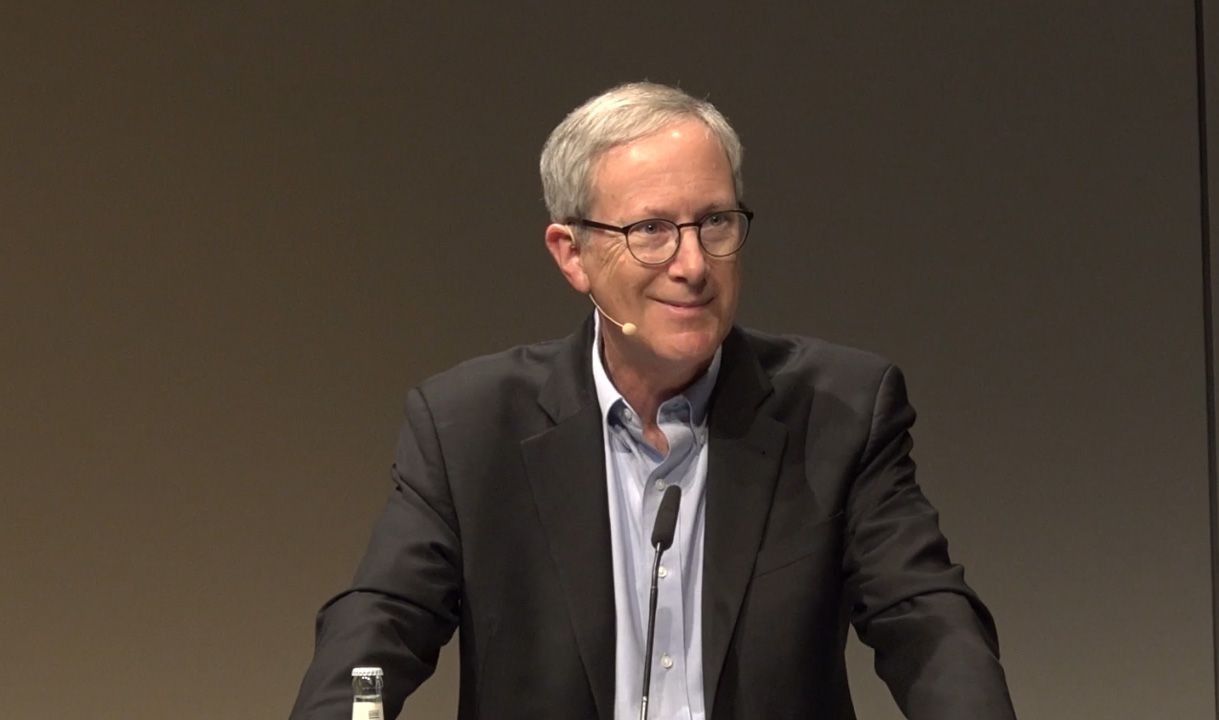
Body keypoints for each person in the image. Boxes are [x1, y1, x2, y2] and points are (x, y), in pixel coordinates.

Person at [288, 82, 1016, 720]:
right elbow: (384, 618)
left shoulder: (841, 410)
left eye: (715, 224)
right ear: (571, 254)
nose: (693, 264)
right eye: (651, 232)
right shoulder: (468, 426)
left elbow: (924, 617)